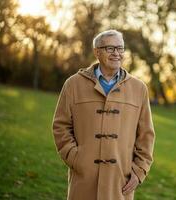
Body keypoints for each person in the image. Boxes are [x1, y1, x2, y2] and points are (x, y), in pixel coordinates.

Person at [52, 29, 155, 200]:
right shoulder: (73, 84)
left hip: (121, 180)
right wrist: (76, 158)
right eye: (110, 48)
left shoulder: (139, 88)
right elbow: (60, 126)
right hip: (83, 177)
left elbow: (146, 135)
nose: (117, 53)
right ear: (97, 52)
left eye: (120, 48)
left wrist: (139, 171)